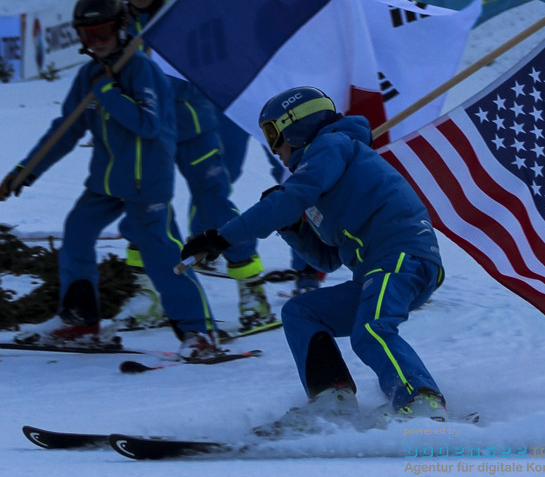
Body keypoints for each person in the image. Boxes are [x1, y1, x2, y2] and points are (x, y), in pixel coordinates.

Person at [181, 86, 447, 426]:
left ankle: (422, 400)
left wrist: (221, 237)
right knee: (301, 312)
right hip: (376, 271)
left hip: (402, 257)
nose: (273, 147)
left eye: (273, 133)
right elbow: (327, 259)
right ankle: (331, 397)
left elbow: (291, 197)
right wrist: (293, 227)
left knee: (371, 330)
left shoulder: (332, 145)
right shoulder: (325, 174)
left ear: (297, 125)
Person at [0, 0, 219, 361]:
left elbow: (148, 124)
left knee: (160, 252)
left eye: (103, 33)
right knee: (78, 232)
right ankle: (80, 321)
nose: (96, 43)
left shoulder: (142, 69)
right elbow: (64, 130)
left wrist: (110, 93)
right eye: (86, 35)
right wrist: (25, 170)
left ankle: (197, 332)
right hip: (107, 182)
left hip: (146, 183)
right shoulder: (89, 76)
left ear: (123, 27)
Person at [112, 0, 276, 333]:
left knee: (214, 202)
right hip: (145, 133)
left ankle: (251, 288)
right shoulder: (116, 22)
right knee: (144, 207)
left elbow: (209, 62)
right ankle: (148, 291)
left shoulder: (185, 16)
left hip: (192, 125)